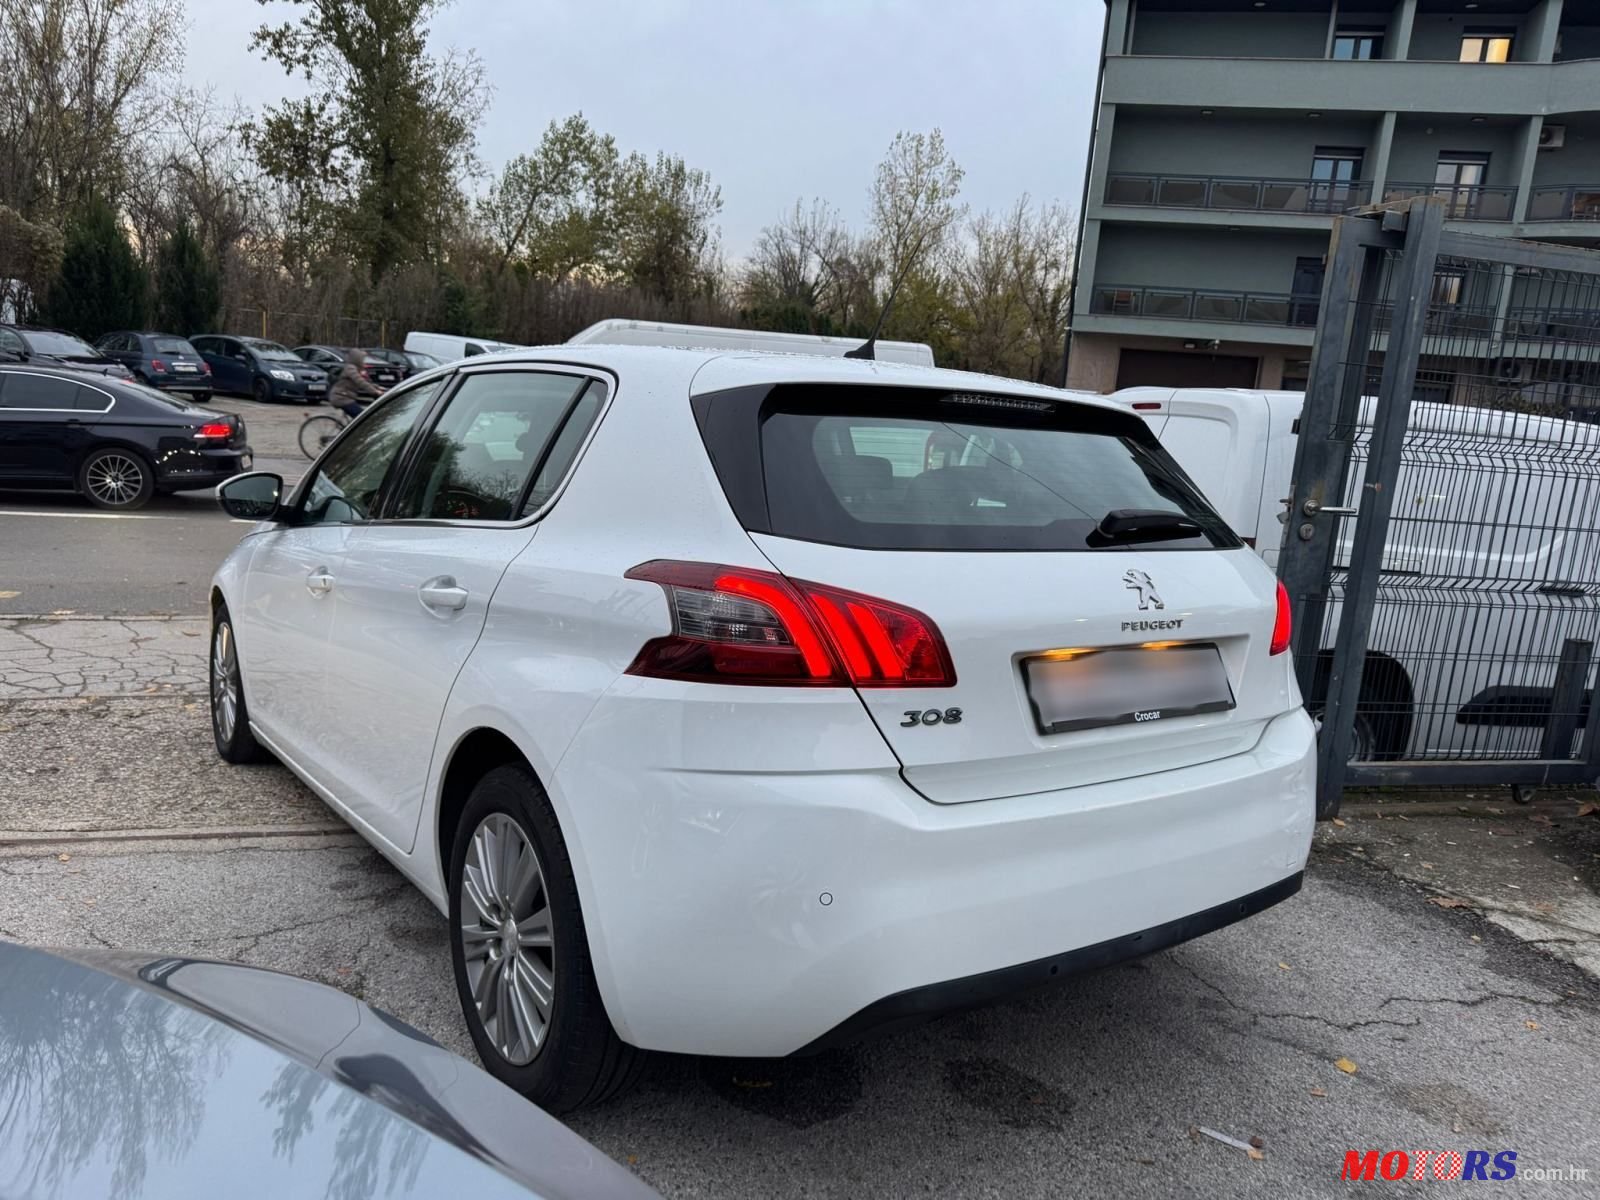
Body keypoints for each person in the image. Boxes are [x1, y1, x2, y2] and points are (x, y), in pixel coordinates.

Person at [330, 349, 383, 419]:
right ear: (357, 359)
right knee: (361, 418)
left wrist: (378, 387)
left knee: (360, 417)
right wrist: (374, 391)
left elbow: (365, 381)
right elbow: (360, 381)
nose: (363, 361)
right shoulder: (350, 368)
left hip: (346, 397)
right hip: (341, 398)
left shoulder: (356, 369)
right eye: (362, 359)